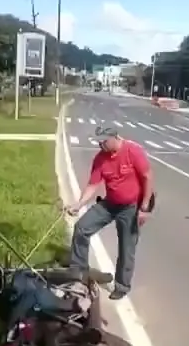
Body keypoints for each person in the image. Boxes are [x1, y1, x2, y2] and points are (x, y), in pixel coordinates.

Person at [66, 126, 154, 300]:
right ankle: (78, 273)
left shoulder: (132, 151)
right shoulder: (100, 158)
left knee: (127, 246)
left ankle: (122, 286)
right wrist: (79, 204)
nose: (101, 145)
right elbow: (93, 184)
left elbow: (147, 177)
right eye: (99, 142)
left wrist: (144, 208)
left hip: (131, 206)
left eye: (104, 141)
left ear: (115, 138)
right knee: (82, 228)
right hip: (110, 203)